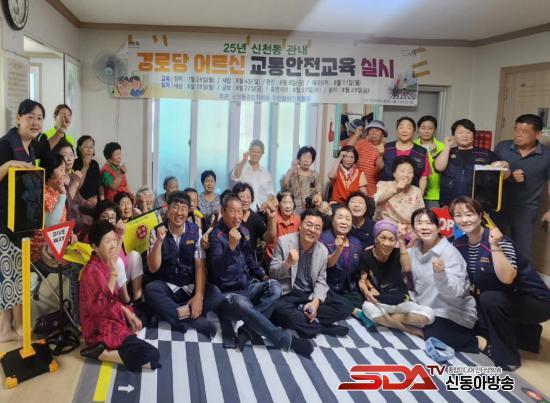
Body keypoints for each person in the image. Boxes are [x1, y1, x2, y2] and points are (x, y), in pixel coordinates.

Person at [450, 196, 550, 370]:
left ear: (480, 216)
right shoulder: (459, 244)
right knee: (474, 315)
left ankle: (508, 357)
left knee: (489, 299)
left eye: (469, 214)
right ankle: (528, 336)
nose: (464, 219)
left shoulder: (499, 240)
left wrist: (495, 247)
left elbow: (507, 278)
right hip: (507, 297)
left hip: (537, 302)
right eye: (458, 215)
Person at [208, 193, 313, 356]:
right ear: (223, 211)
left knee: (275, 287)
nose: (237, 216)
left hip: (248, 286)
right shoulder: (216, 236)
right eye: (232, 211)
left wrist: (263, 276)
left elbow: (250, 260)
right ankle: (286, 340)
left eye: (239, 211)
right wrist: (230, 247)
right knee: (243, 304)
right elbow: (218, 270)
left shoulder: (243, 230)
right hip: (228, 295)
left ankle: (248, 329)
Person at [79, 220, 160, 371]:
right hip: (100, 328)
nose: (113, 245)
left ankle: (125, 337)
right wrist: (114, 274)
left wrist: (127, 312)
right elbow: (102, 306)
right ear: (95, 246)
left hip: (113, 315)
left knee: (149, 311)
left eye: (114, 240)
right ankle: (102, 353)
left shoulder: (104, 262)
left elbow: (113, 300)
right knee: (152, 356)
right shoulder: (91, 272)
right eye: (107, 241)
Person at [145, 192, 224, 336]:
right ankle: (192, 321)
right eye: (175, 207)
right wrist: (159, 242)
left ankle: (168, 314)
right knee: (150, 290)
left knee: (216, 294)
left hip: (190, 287)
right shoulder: (156, 232)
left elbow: (200, 265)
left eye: (183, 208)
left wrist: (199, 296)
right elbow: (153, 268)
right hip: (168, 287)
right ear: (168, 209)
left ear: (188, 211)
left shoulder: (195, 231)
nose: (179, 212)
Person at [0, 99, 45, 342]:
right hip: (4, 221)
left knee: (16, 274)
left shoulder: (32, 147)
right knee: (7, 275)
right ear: (18, 118)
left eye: (39, 118)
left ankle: (15, 326)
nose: (35, 122)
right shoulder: (6, 144)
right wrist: (8, 164)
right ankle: (5, 329)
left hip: (22, 220)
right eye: (30, 117)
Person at [270, 209, 350, 338]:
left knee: (345, 307)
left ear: (321, 232)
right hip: (289, 292)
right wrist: (288, 263)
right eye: (309, 224)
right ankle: (321, 327)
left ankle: (302, 319)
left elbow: (321, 280)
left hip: (309, 293)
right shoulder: (283, 242)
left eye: (317, 228)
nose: (312, 230)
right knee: (277, 308)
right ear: (300, 225)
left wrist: (315, 303)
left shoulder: (322, 250)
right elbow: (273, 273)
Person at [408, 208, 478, 352]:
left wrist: (441, 275)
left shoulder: (449, 253)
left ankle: (479, 342)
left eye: (429, 223)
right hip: (424, 309)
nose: (424, 227)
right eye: (419, 223)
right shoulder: (412, 252)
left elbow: (456, 292)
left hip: (452, 311)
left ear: (438, 227)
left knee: (434, 336)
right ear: (413, 228)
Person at [30, 153, 83, 324]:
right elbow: (51, 226)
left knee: (87, 259)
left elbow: (61, 223)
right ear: (49, 172)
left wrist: (70, 234)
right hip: (41, 253)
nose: (64, 171)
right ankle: (77, 320)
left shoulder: (57, 190)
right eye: (60, 169)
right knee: (77, 269)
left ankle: (85, 313)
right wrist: (62, 196)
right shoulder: (42, 193)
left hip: (58, 245)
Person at [359, 220, 434, 336]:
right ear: (375, 238)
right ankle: (408, 329)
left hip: (401, 300)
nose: (387, 243)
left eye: (391, 239)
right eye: (383, 238)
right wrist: (366, 292)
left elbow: (407, 268)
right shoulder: (366, 256)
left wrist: (401, 241)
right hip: (380, 301)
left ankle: (387, 320)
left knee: (429, 315)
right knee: (367, 307)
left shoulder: (399, 253)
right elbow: (362, 280)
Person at [494, 114, 550, 260]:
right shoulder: (502, 147)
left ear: (537, 134)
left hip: (526, 209)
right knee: (495, 246)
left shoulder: (547, 155)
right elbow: (490, 175)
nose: (517, 135)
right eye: (516, 130)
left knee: (522, 251)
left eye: (524, 131)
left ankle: (522, 275)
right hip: (498, 206)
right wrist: (510, 176)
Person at [434, 119, 506, 207]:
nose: (464, 135)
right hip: (449, 203)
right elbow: (439, 168)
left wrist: (505, 165)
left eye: (468, 132)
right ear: (453, 135)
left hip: (476, 204)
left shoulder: (486, 154)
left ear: (473, 134)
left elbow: (503, 174)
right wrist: (447, 146)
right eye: (460, 132)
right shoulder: (447, 152)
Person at [94, 200, 144, 304]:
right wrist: (121, 237)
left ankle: (138, 298)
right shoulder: (95, 235)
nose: (109, 220)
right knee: (117, 262)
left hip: (122, 276)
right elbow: (112, 261)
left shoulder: (116, 231)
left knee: (134, 255)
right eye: (104, 217)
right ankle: (127, 302)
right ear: (98, 218)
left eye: (112, 217)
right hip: (107, 279)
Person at [320, 206, 363, 307]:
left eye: (348, 219)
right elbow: (326, 264)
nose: (344, 222)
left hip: (349, 290)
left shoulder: (356, 243)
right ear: (333, 221)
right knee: (341, 306)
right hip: (328, 288)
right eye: (340, 217)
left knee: (360, 303)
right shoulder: (323, 239)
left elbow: (358, 271)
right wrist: (338, 250)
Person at [381, 117, 430, 195]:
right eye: (401, 127)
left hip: (411, 195)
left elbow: (423, 177)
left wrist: (419, 196)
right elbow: (378, 169)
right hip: (388, 193)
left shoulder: (421, 152)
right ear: (397, 130)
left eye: (408, 128)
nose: (404, 130)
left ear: (414, 131)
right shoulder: (386, 148)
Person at [373, 156, 425, 228]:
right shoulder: (384, 185)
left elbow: (420, 214)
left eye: (410, 172)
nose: (406, 175)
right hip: (387, 226)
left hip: (409, 228)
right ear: (394, 173)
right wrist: (395, 190)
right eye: (402, 171)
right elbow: (377, 201)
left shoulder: (416, 191)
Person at [342, 120, 385, 197]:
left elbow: (380, 168)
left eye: (377, 130)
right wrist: (357, 134)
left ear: (383, 134)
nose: (374, 133)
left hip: (373, 189)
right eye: (371, 130)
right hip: (355, 187)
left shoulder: (386, 147)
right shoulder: (361, 143)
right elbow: (346, 151)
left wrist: (382, 154)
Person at [230, 140, 274, 211]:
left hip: (262, 209)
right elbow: (235, 177)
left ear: (262, 154)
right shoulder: (241, 166)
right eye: (253, 151)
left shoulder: (265, 173)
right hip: (244, 208)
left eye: (258, 152)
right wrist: (243, 161)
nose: (255, 154)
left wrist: (268, 202)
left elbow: (271, 192)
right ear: (249, 152)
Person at [413, 116, 445, 208]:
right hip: (415, 191)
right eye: (423, 128)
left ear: (434, 130)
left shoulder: (442, 146)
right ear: (418, 129)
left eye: (430, 128)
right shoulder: (412, 145)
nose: (426, 131)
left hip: (435, 193)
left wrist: (435, 153)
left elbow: (444, 168)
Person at [281, 146, 322, 212]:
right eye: (304, 157)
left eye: (309, 158)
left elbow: (318, 193)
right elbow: (284, 187)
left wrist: (317, 198)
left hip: (311, 207)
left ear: (312, 161)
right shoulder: (292, 172)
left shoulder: (315, 174)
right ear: (299, 158)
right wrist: (292, 168)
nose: (306, 160)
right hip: (294, 207)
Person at [263, 191, 300, 263]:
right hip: (273, 259)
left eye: (290, 202)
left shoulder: (298, 220)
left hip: (290, 259)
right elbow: (269, 239)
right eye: (284, 202)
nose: (288, 206)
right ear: (279, 204)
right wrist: (272, 219)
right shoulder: (274, 216)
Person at [73, 135, 104, 218]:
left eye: (91, 147)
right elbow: (76, 187)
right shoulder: (74, 163)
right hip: (80, 203)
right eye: (86, 146)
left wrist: (102, 198)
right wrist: (85, 166)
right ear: (79, 148)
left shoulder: (95, 164)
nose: (89, 149)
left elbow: (99, 183)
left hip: (95, 201)